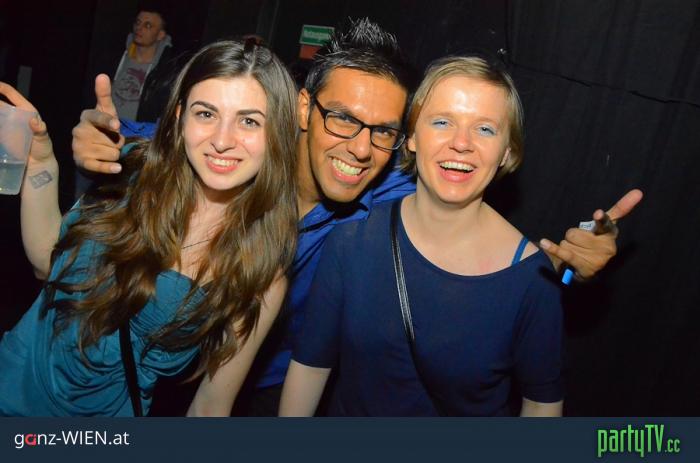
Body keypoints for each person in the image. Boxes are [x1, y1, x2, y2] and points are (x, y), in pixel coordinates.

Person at [70, 18, 642, 415]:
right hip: (147, 369)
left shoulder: (390, 192)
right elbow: (154, 143)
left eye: (383, 131)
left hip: (267, 388)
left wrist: (574, 270)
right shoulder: (237, 151)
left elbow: (478, 229)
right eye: (342, 118)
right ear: (303, 107)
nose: (361, 148)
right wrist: (96, 142)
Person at [0, 39, 298, 416]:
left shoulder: (259, 271)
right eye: (206, 114)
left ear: (277, 134)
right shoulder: (129, 174)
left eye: (249, 121)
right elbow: (47, 264)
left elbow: (210, 407)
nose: (222, 141)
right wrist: (42, 164)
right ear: (180, 117)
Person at [280, 56, 566, 416]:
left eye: (484, 129)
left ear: (507, 151)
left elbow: (541, 407)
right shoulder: (352, 238)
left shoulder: (532, 278)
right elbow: (309, 368)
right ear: (412, 137)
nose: (461, 143)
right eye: (443, 122)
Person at [112, 6, 177, 122]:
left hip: (138, 130)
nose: (139, 28)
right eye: (138, 22)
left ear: (160, 35)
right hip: (107, 125)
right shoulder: (117, 55)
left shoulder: (165, 71)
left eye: (148, 25)